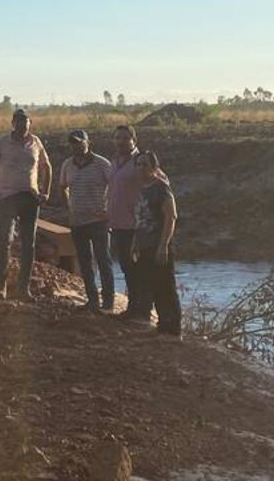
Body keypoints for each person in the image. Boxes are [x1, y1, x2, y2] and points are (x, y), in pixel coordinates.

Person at [0, 109, 52, 301]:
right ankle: (0, 286)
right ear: (13, 124)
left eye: (24, 122)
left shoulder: (36, 142)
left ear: (30, 123)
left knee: (29, 244)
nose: (21, 126)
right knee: (5, 240)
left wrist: (46, 191)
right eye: (18, 122)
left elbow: (46, 166)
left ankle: (23, 288)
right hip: (8, 198)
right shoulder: (2, 142)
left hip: (30, 199)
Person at [55, 129, 114, 311]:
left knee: (103, 260)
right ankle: (92, 300)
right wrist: (69, 207)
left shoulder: (102, 164)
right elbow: (62, 187)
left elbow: (115, 186)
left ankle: (108, 301)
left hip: (99, 221)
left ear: (88, 143)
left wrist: (108, 210)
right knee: (85, 262)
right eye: (73, 143)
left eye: (79, 142)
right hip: (77, 221)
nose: (76, 146)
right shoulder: (67, 165)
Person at [131, 150, 181, 336]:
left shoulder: (161, 188)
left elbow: (171, 217)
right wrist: (135, 243)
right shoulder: (141, 189)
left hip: (159, 244)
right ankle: (162, 325)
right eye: (138, 164)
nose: (141, 168)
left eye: (145, 164)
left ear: (154, 167)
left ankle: (173, 328)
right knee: (153, 286)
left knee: (166, 286)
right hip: (144, 244)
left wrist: (163, 246)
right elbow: (139, 219)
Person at [105, 124, 147, 317]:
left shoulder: (141, 162)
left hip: (136, 225)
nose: (120, 142)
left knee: (136, 267)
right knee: (126, 266)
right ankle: (134, 306)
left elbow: (160, 182)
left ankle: (141, 309)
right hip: (118, 223)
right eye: (117, 138)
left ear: (134, 141)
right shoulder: (114, 162)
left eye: (125, 138)